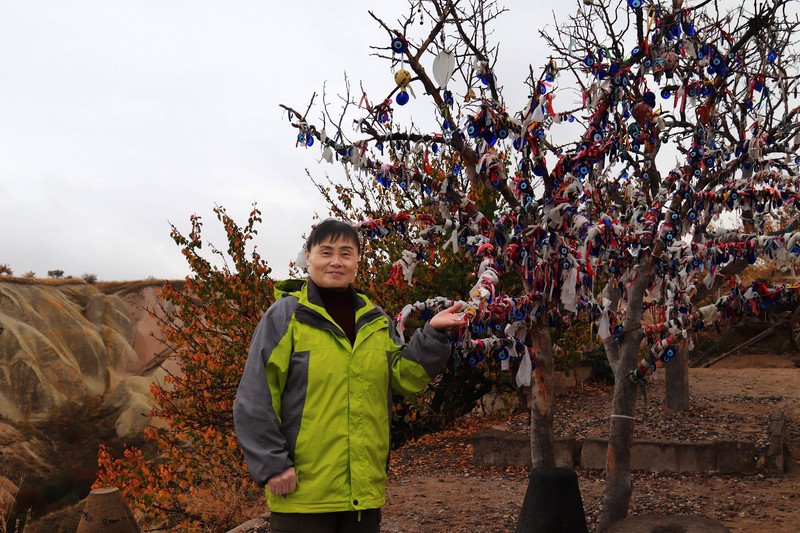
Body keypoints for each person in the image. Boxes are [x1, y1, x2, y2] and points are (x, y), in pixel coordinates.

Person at [233, 218, 465, 533]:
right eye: (326, 252)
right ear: (309, 256)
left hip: (363, 493)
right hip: (302, 492)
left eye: (346, 253)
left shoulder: (375, 319)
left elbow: (404, 377)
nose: (336, 261)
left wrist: (433, 335)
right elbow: (255, 397)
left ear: (357, 260)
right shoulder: (285, 317)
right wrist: (273, 464)